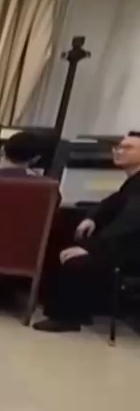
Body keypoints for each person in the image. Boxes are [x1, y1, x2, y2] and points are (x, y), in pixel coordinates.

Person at [37, 130, 140, 332]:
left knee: (77, 261)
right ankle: (79, 309)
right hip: (125, 245)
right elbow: (111, 202)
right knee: (72, 244)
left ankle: (67, 318)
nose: (119, 151)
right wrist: (91, 218)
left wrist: (91, 248)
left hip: (132, 251)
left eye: (127, 148)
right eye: (118, 147)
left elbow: (129, 223)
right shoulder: (133, 182)